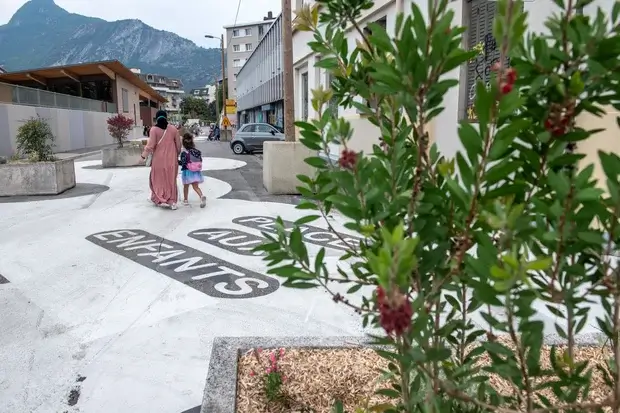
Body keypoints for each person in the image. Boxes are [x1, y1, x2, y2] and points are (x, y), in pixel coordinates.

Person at [141, 110, 181, 209]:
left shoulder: (153, 130)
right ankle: (172, 202)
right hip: (171, 160)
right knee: (171, 180)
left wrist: (143, 155)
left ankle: (158, 198)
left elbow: (150, 145)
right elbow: (179, 146)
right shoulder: (173, 129)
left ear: (156, 118)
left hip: (158, 160)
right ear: (166, 117)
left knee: (157, 179)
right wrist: (176, 155)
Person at [179, 133, 207, 208]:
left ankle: (185, 200)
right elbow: (200, 160)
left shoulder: (184, 153)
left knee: (186, 186)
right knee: (195, 187)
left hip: (187, 172)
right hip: (196, 172)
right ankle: (201, 196)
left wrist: (177, 162)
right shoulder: (196, 151)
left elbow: (183, 163)